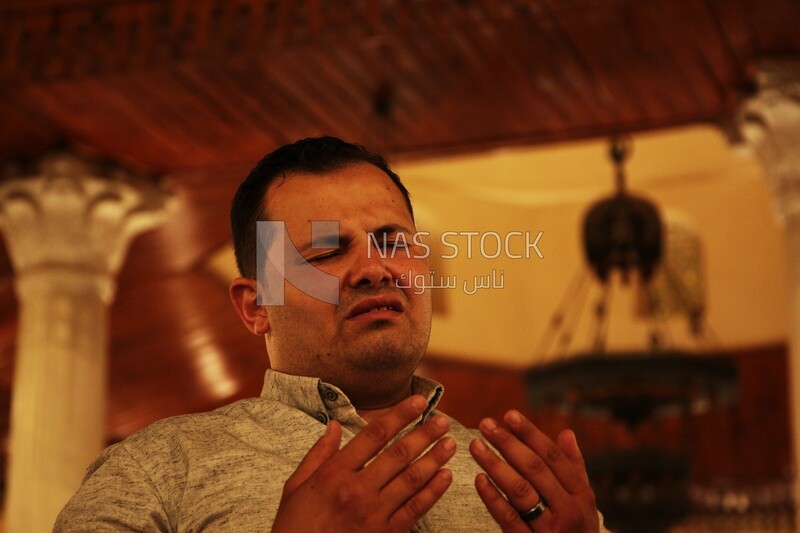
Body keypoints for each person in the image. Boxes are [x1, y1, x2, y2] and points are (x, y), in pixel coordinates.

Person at [55, 136, 605, 532]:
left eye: (393, 242)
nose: (375, 268)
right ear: (255, 307)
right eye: (326, 251)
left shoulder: (527, 492)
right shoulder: (158, 469)